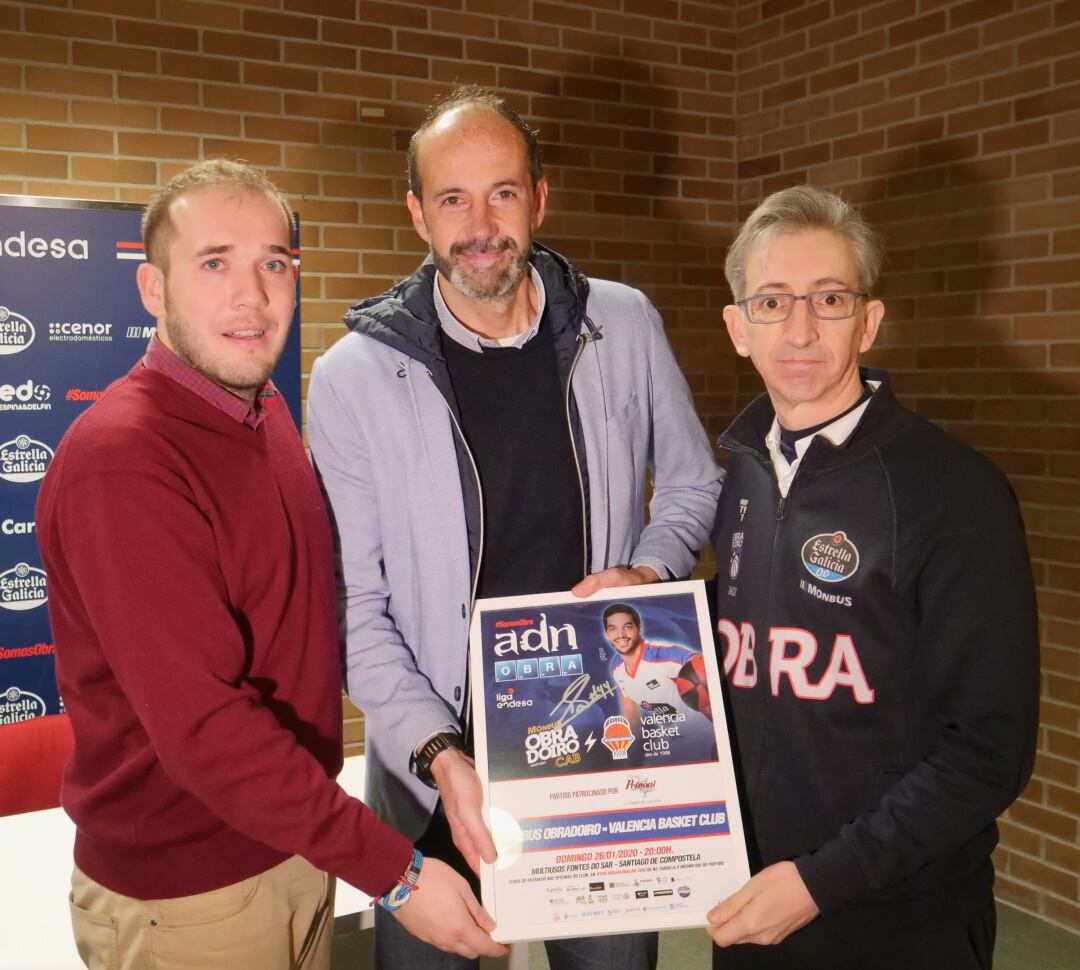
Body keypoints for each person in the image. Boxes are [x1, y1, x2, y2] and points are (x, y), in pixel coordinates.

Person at [35, 159, 506, 970]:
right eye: (215, 263)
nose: (251, 295)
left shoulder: (263, 417)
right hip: (189, 898)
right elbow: (206, 728)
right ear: (153, 289)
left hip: (286, 844)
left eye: (275, 264)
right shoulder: (126, 457)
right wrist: (393, 871)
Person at [307, 86, 722, 970]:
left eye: (502, 192)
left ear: (540, 197)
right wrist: (438, 749)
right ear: (418, 214)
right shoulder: (353, 376)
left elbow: (693, 485)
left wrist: (647, 576)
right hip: (432, 763)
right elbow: (354, 605)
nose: (481, 223)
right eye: (452, 199)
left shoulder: (625, 322)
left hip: (600, 743)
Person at [706, 185, 1039, 969]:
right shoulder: (742, 475)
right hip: (752, 905)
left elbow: (988, 751)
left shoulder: (954, 493)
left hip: (898, 920)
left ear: (870, 319)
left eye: (828, 298)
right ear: (737, 328)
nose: (799, 328)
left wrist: (823, 881)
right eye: (772, 301)